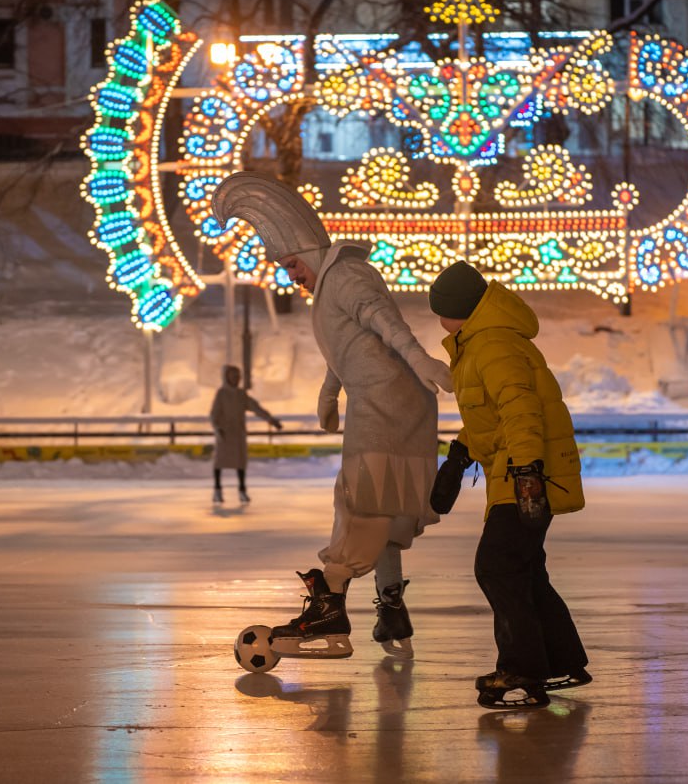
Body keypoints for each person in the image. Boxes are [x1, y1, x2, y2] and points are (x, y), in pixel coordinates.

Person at [213, 172, 451, 660]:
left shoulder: (345, 276)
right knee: (379, 505)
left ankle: (330, 603)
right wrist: (329, 392)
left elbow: (383, 321)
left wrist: (419, 356)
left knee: (362, 498)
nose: (290, 276)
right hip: (381, 400)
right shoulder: (330, 285)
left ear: (309, 253)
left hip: (389, 404)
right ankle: (390, 609)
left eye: (291, 265)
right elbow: (348, 348)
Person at [426, 260, 589, 709]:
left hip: (524, 475)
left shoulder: (492, 343)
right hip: (515, 471)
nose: (438, 318)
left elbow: (521, 409)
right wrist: (460, 455)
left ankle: (521, 665)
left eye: (440, 309)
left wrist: (526, 475)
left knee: (497, 567)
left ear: (456, 309)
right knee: (524, 571)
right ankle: (559, 659)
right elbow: (493, 419)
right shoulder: (480, 343)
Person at [209, 364, 282, 504]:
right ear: (227, 377)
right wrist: (217, 428)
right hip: (224, 434)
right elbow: (214, 414)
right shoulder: (221, 393)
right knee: (219, 462)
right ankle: (217, 490)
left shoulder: (241, 394)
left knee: (240, 463)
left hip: (238, 434)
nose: (236, 379)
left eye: (238, 376)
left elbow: (256, 408)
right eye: (233, 376)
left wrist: (271, 419)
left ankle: (242, 490)